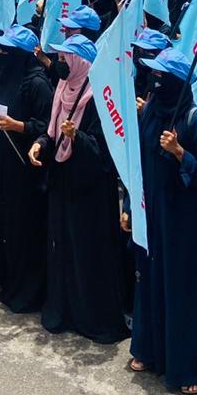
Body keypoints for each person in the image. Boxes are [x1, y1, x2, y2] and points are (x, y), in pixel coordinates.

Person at [127, 47, 197, 395]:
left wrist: (181, 153)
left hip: (186, 225)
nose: (154, 81)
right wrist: (130, 206)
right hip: (154, 214)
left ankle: (187, 366)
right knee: (150, 280)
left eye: (162, 77)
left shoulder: (195, 120)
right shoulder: (150, 111)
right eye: (153, 75)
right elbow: (138, 161)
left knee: (182, 291)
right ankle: (150, 350)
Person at [29, 33, 129, 344]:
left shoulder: (99, 96)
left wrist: (78, 138)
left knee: (87, 251)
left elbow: (105, 151)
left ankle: (91, 316)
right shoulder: (63, 88)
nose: (59, 64)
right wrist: (40, 144)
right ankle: (63, 309)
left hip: (89, 191)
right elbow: (52, 130)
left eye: (64, 59)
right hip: (63, 181)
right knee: (62, 246)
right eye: (58, 59)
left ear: (80, 62)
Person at [0, 24, 53, 313]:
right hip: (4, 160)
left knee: (24, 226)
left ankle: (27, 290)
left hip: (27, 167)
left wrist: (18, 126)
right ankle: (7, 279)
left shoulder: (37, 83)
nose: (2, 53)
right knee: (6, 223)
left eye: (8, 50)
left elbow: (48, 127)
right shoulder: (4, 75)